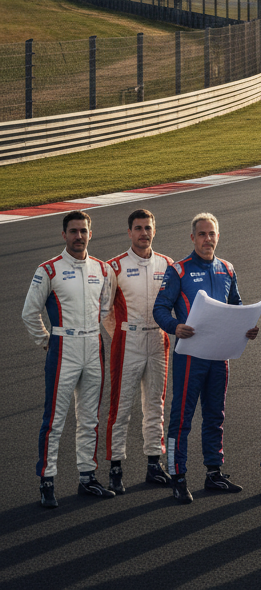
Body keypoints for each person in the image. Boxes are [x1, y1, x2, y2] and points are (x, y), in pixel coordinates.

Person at [153, 212, 259, 504]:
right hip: (190, 356)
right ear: (192, 238)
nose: (207, 239)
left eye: (212, 234)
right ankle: (178, 475)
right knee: (181, 419)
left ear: (218, 236)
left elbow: (236, 305)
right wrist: (175, 326)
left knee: (216, 415)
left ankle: (214, 472)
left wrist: (247, 328)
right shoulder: (179, 270)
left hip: (220, 355)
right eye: (202, 234)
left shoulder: (227, 268)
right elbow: (159, 309)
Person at [22, 211, 115, 507]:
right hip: (63, 347)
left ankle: (87, 477)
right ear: (64, 235)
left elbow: (105, 307)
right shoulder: (48, 269)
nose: (78, 236)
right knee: (55, 419)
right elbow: (29, 312)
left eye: (83, 231)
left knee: (90, 417)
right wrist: (47, 341)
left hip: (93, 343)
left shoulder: (102, 269)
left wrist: (89, 331)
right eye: (73, 231)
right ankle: (47, 481)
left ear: (90, 233)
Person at [104, 209, 175, 493]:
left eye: (148, 228)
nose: (143, 233)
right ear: (129, 232)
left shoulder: (168, 264)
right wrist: (121, 335)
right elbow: (104, 311)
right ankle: (115, 468)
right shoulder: (115, 266)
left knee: (155, 405)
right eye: (138, 228)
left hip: (158, 341)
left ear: (154, 231)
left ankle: (153, 464)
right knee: (120, 408)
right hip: (128, 342)